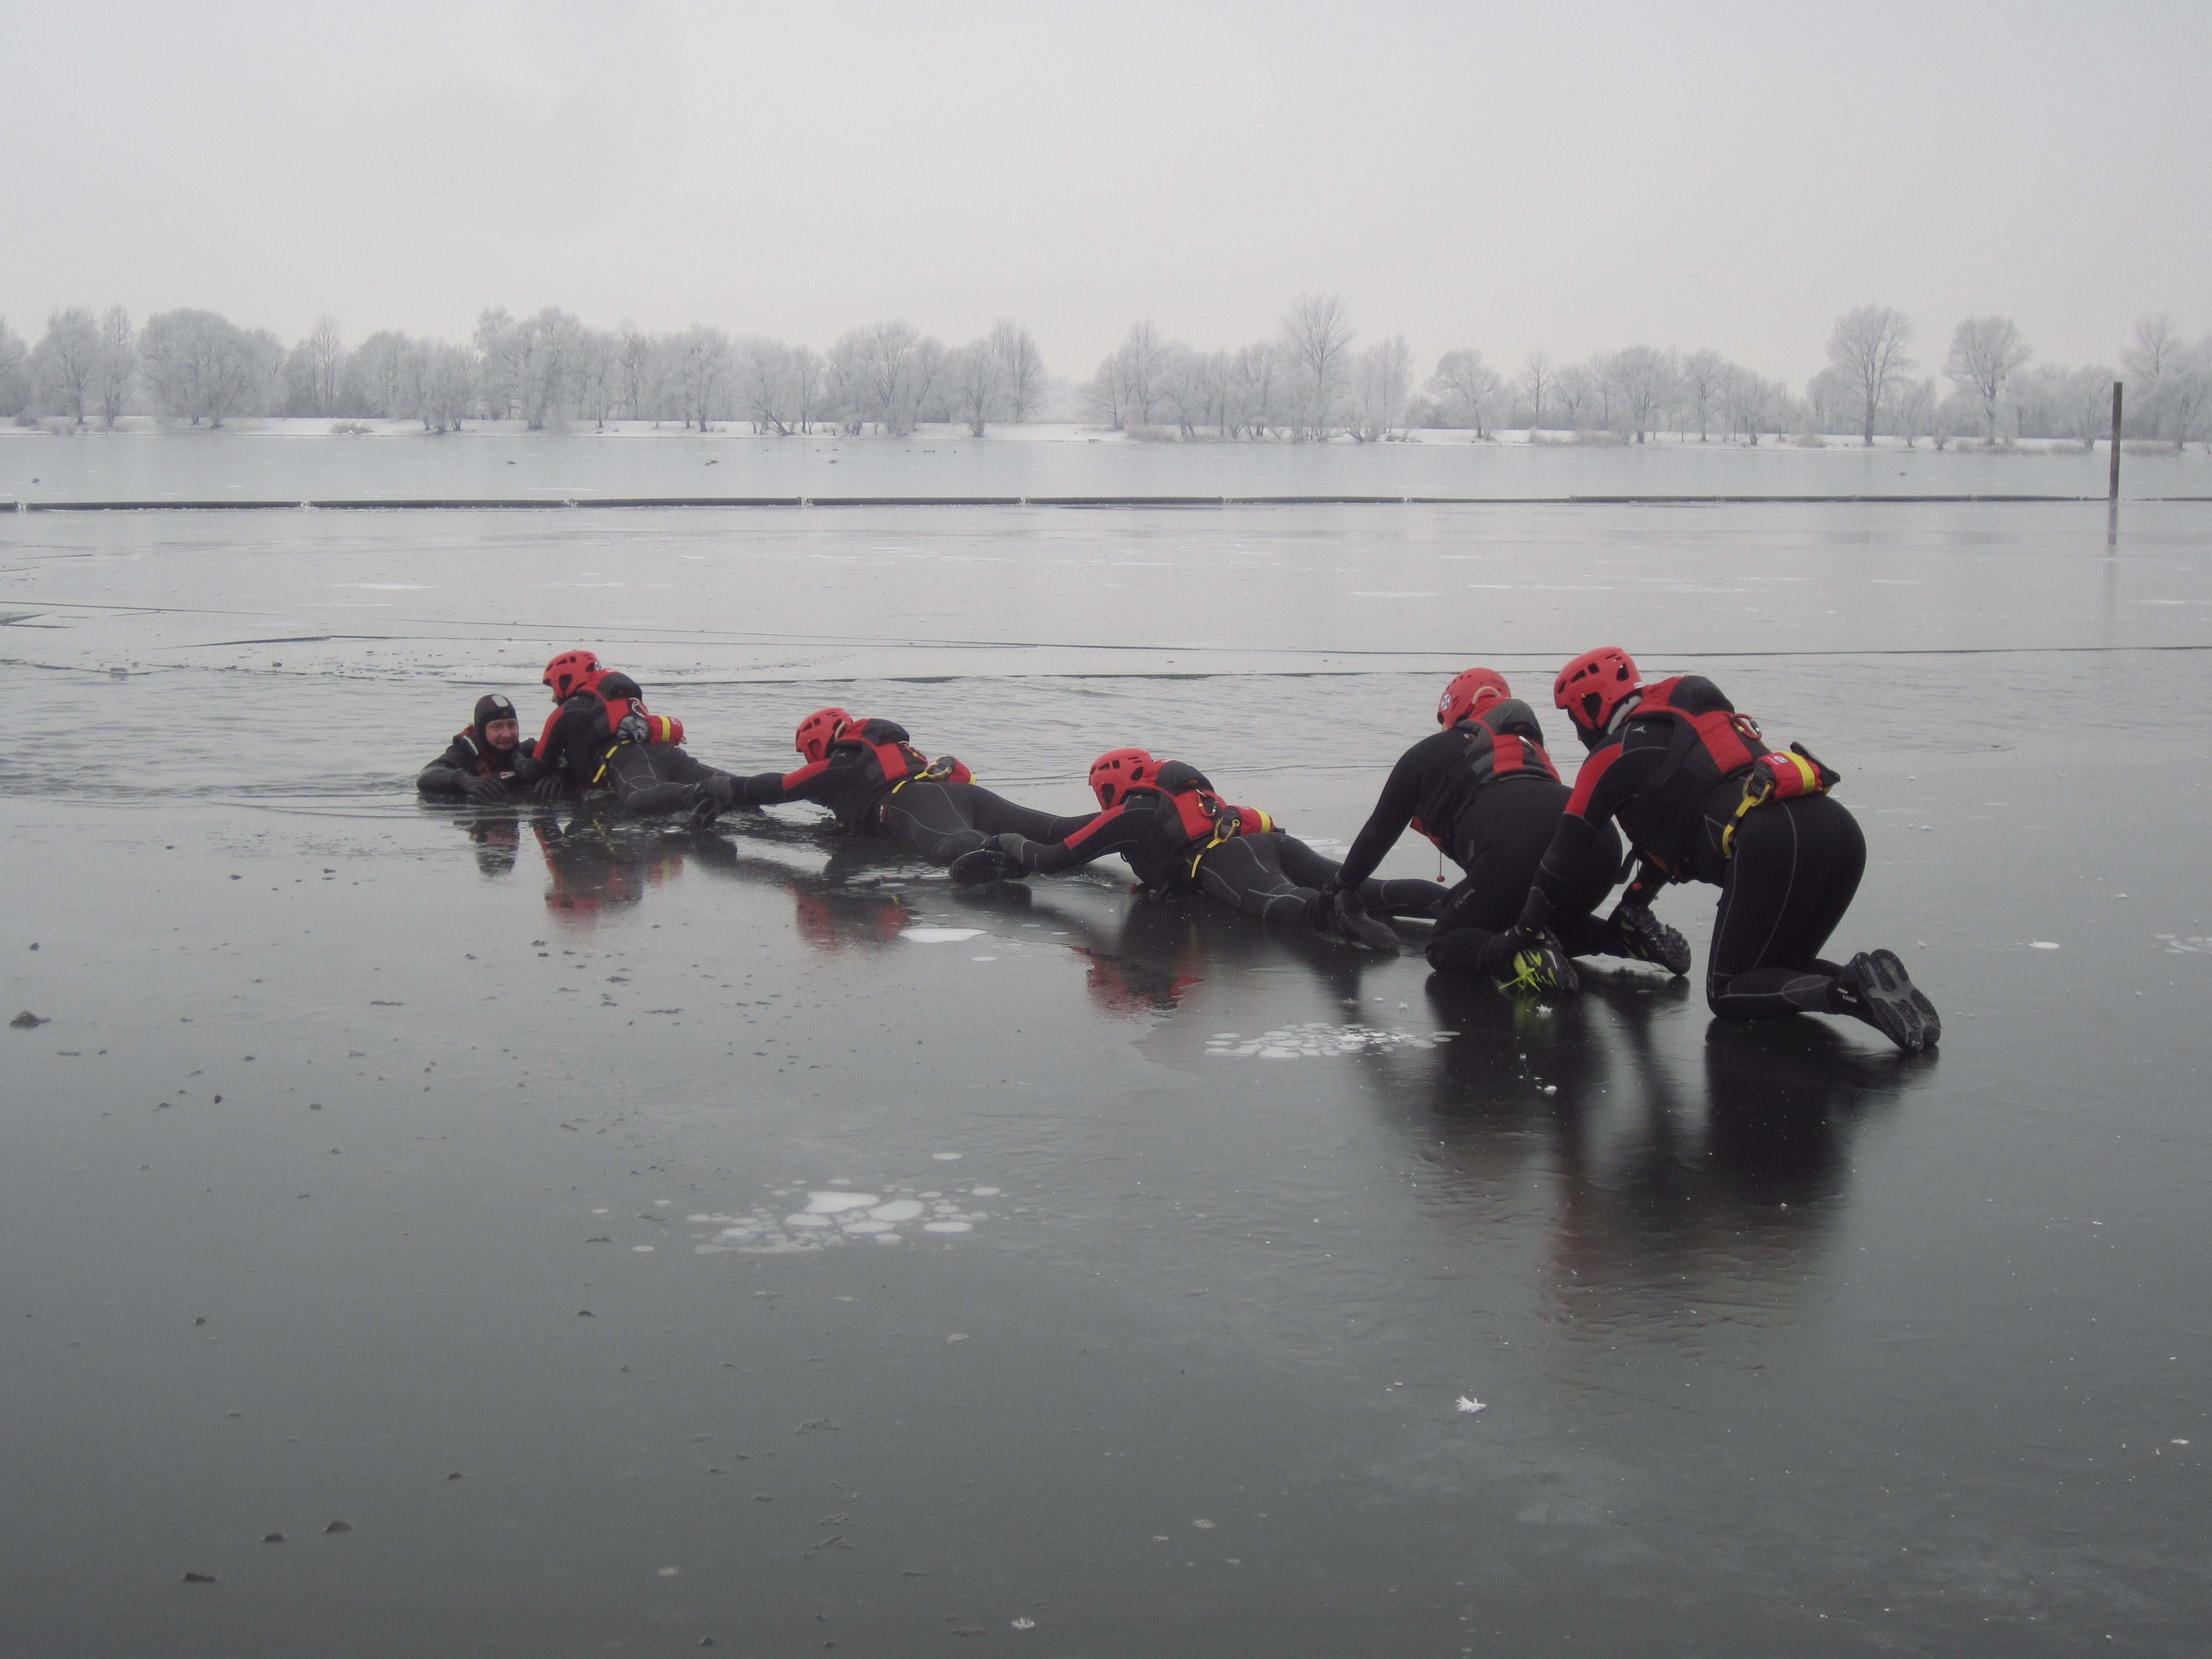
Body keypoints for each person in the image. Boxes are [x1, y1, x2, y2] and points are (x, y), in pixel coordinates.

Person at [1508, 646, 1940, 1053]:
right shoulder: (1690, 696)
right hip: (1839, 828)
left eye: (1574, 718)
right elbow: (1688, 804)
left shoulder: (1609, 757)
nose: (1577, 732)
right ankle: (1868, 985)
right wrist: (1636, 899)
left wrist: (1524, 930)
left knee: (1728, 989)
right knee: (1782, 966)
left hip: (1773, 839)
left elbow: (1563, 856)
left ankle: (1848, 991)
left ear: (1591, 705)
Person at [1320, 666, 1692, 992]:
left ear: (1455, 709)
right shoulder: (1532, 749)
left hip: (1521, 846)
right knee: (1530, 918)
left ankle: (1519, 957)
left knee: (1446, 942)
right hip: (1599, 845)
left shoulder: (1429, 751)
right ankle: (1621, 937)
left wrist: (1339, 886)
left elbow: (1377, 835)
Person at [971, 747, 1451, 952]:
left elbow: (1053, 859)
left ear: (1111, 786)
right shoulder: (1185, 793)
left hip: (1225, 860)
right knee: (1370, 887)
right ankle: (1459, 904)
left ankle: (1338, 917)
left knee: (1279, 902)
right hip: (1271, 841)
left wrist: (1006, 841)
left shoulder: (1131, 815)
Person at [737, 707, 1097, 865]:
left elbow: (779, 787)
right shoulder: (881, 750)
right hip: (959, 794)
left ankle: (1012, 853)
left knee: (953, 844)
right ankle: (1121, 824)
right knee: (1057, 828)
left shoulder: (841, 765)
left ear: (817, 745)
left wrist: (721, 787)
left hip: (910, 802)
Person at [514, 650, 740, 821]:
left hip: (629, 761)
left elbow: (534, 770)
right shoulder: (618, 699)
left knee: (638, 799)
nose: (553, 698)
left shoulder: (567, 712)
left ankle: (699, 794)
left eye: (553, 688)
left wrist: (516, 753)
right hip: (667, 752)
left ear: (565, 680)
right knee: (734, 784)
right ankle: (762, 786)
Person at [418, 693, 535, 801]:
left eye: (512, 725)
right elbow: (426, 776)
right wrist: (463, 780)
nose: (507, 734)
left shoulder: (529, 752)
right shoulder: (465, 753)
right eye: (497, 727)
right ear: (481, 731)